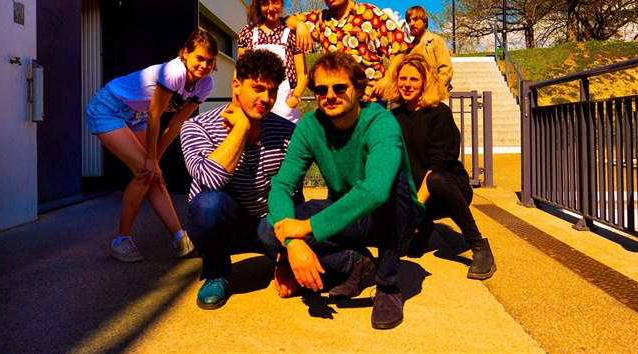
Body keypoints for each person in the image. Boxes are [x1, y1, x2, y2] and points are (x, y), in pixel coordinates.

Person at [258, 51, 424, 330]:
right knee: (266, 230)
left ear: (358, 88)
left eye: (339, 87)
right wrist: (292, 244)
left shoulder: (381, 121)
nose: (330, 96)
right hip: (346, 213)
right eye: (321, 90)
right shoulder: (311, 126)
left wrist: (306, 227)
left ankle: (387, 286)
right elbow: (282, 184)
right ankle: (354, 264)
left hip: (393, 218)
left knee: (392, 180)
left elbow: (375, 191)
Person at [180, 49, 300, 310]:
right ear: (236, 85)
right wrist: (242, 129)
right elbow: (211, 179)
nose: (266, 98)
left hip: (268, 225)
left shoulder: (287, 132)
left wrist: (287, 257)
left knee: (326, 271)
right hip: (226, 224)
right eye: (258, 88)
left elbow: (295, 193)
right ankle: (216, 271)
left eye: (272, 91)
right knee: (207, 204)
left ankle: (284, 259)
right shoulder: (197, 127)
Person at [86, 28, 217, 262]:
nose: (205, 65)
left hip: (137, 114)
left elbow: (176, 123)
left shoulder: (205, 85)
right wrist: (149, 160)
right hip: (109, 108)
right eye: (200, 58)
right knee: (143, 171)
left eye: (210, 60)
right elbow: (156, 115)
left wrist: (155, 160)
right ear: (185, 53)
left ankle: (180, 239)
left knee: (153, 173)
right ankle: (121, 241)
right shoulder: (174, 72)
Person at [385, 53, 496, 280]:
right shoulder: (393, 117)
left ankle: (479, 246)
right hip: (416, 192)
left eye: (414, 79)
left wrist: (414, 209)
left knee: (435, 178)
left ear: (425, 83)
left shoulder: (439, 113)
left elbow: (439, 165)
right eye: (403, 78)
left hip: (449, 189)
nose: (407, 84)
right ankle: (424, 228)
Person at [289, 0, 410, 102]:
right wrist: (299, 25)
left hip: (369, 100)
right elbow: (285, 20)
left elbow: (401, 47)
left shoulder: (371, 14)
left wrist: (387, 79)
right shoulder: (320, 20)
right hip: (336, 101)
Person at [238, 0, 307, 123]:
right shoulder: (248, 32)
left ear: (282, 1)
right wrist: (237, 102)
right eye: (265, 3)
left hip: (285, 110)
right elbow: (239, 72)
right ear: (259, 5)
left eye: (275, 2)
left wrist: (294, 99)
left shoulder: (292, 33)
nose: (270, 8)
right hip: (254, 107)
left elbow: (303, 73)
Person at [405, 5, 453, 93]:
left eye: (415, 19)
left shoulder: (435, 41)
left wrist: (432, 91)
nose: (411, 23)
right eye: (409, 21)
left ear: (424, 22)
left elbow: (446, 71)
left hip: (432, 95)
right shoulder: (409, 48)